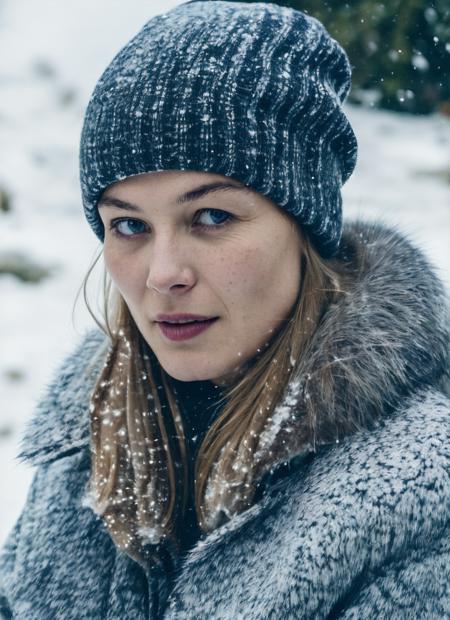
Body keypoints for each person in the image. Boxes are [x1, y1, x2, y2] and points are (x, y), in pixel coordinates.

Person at [1, 1, 449, 618]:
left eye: (211, 216)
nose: (163, 274)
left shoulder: (420, 500)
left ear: (304, 228)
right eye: (128, 224)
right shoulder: (86, 441)